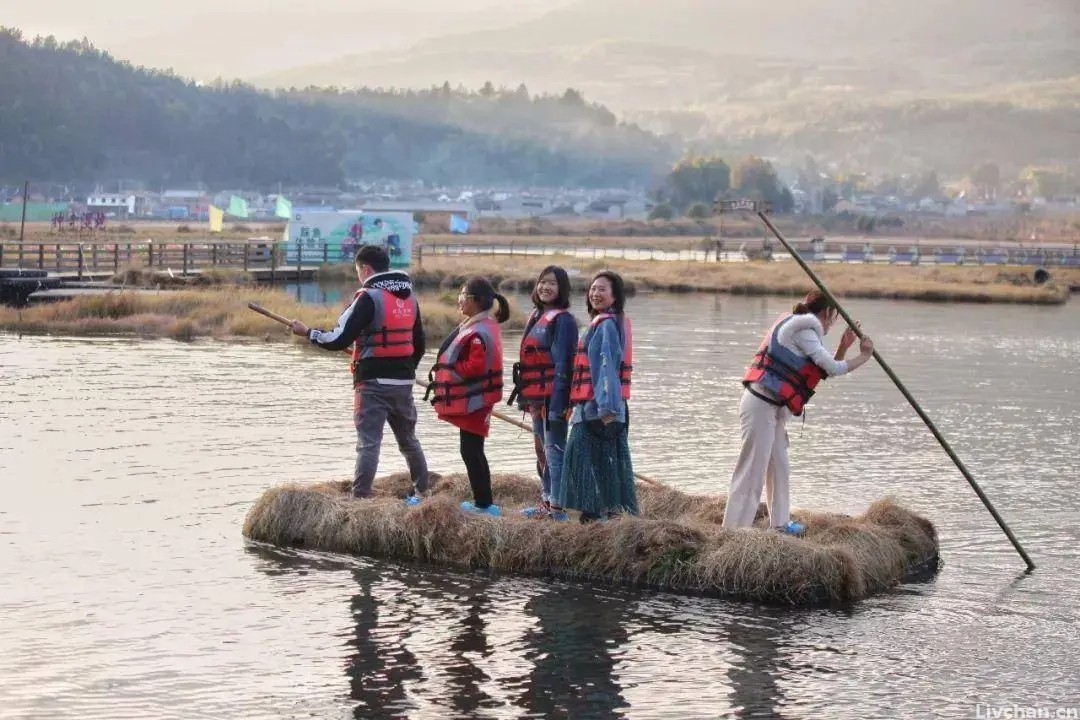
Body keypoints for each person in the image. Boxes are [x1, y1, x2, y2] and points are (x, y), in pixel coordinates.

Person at [721, 290, 874, 534]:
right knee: (752, 471)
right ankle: (734, 532)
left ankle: (780, 524)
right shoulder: (804, 328)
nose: (833, 323)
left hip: (772, 409)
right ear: (828, 313)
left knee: (779, 465)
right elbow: (833, 368)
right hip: (760, 406)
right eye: (834, 317)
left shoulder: (803, 329)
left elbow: (820, 370)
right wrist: (864, 356)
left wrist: (843, 346)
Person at [291, 245, 429, 501]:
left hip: (373, 384)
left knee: (368, 444)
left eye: (357, 271)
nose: (358, 276)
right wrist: (406, 370)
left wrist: (308, 333)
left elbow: (338, 338)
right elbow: (419, 343)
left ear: (365, 269)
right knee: (409, 441)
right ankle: (423, 492)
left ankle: (360, 499)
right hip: (403, 382)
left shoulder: (368, 297)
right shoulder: (411, 298)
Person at [557, 271, 637, 523]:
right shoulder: (607, 323)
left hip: (599, 410)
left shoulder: (605, 326)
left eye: (602, 289)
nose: (595, 293)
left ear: (614, 297)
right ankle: (604, 520)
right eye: (593, 289)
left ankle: (595, 522)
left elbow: (605, 368)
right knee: (606, 467)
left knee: (584, 464)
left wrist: (607, 410)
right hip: (601, 407)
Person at [426, 277, 510, 516]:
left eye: (463, 296)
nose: (459, 301)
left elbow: (475, 367)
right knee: (473, 450)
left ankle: (484, 505)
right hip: (478, 400)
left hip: (476, 401)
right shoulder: (483, 324)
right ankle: (484, 502)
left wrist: (451, 371)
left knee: (471, 451)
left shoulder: (479, 331)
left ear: (477, 301)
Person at [510, 266, 577, 522]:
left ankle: (558, 509)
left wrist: (560, 403)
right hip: (535, 397)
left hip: (553, 397)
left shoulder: (564, 320)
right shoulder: (537, 315)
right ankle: (546, 500)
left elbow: (564, 364)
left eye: (552, 283)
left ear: (562, 289)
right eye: (542, 282)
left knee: (554, 451)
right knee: (541, 451)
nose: (545, 287)